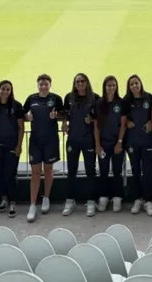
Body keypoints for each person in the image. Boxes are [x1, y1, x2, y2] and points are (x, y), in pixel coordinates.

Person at [24, 74, 64, 222]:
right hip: (35, 140)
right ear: (38, 85)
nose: (43, 87)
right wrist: (27, 116)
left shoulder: (56, 99)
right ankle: (32, 205)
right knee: (35, 172)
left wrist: (57, 116)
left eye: (46, 84)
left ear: (50, 85)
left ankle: (46, 198)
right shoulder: (31, 99)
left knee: (48, 169)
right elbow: (23, 113)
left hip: (51, 140)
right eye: (41, 84)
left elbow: (63, 114)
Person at [0, 80, 25, 218]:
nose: (5, 91)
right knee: (0, 173)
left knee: (10, 173)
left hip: (11, 145)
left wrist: (19, 145)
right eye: (3, 89)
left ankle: (13, 201)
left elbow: (21, 128)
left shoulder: (16, 106)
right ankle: (4, 198)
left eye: (8, 89)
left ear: (11, 91)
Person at [63, 73, 99, 217]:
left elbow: (100, 118)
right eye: (77, 81)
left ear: (87, 82)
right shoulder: (69, 97)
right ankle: (70, 200)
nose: (80, 84)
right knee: (71, 171)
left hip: (88, 139)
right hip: (73, 139)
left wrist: (92, 120)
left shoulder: (95, 98)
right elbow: (65, 114)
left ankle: (91, 201)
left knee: (90, 170)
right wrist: (64, 123)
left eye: (82, 81)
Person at [124, 74, 152, 216]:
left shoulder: (149, 97)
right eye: (131, 84)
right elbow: (122, 118)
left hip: (147, 140)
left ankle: (148, 200)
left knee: (148, 170)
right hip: (132, 140)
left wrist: (151, 122)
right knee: (135, 170)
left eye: (136, 83)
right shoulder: (126, 100)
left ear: (140, 83)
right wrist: (127, 122)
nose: (134, 86)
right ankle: (137, 199)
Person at [96, 76, 128, 213]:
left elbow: (123, 124)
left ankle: (117, 197)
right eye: (109, 85)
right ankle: (103, 197)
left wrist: (119, 142)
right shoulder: (99, 103)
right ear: (105, 87)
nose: (111, 88)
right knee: (103, 172)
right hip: (103, 144)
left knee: (117, 171)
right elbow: (96, 126)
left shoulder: (121, 103)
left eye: (114, 85)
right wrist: (98, 145)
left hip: (117, 144)